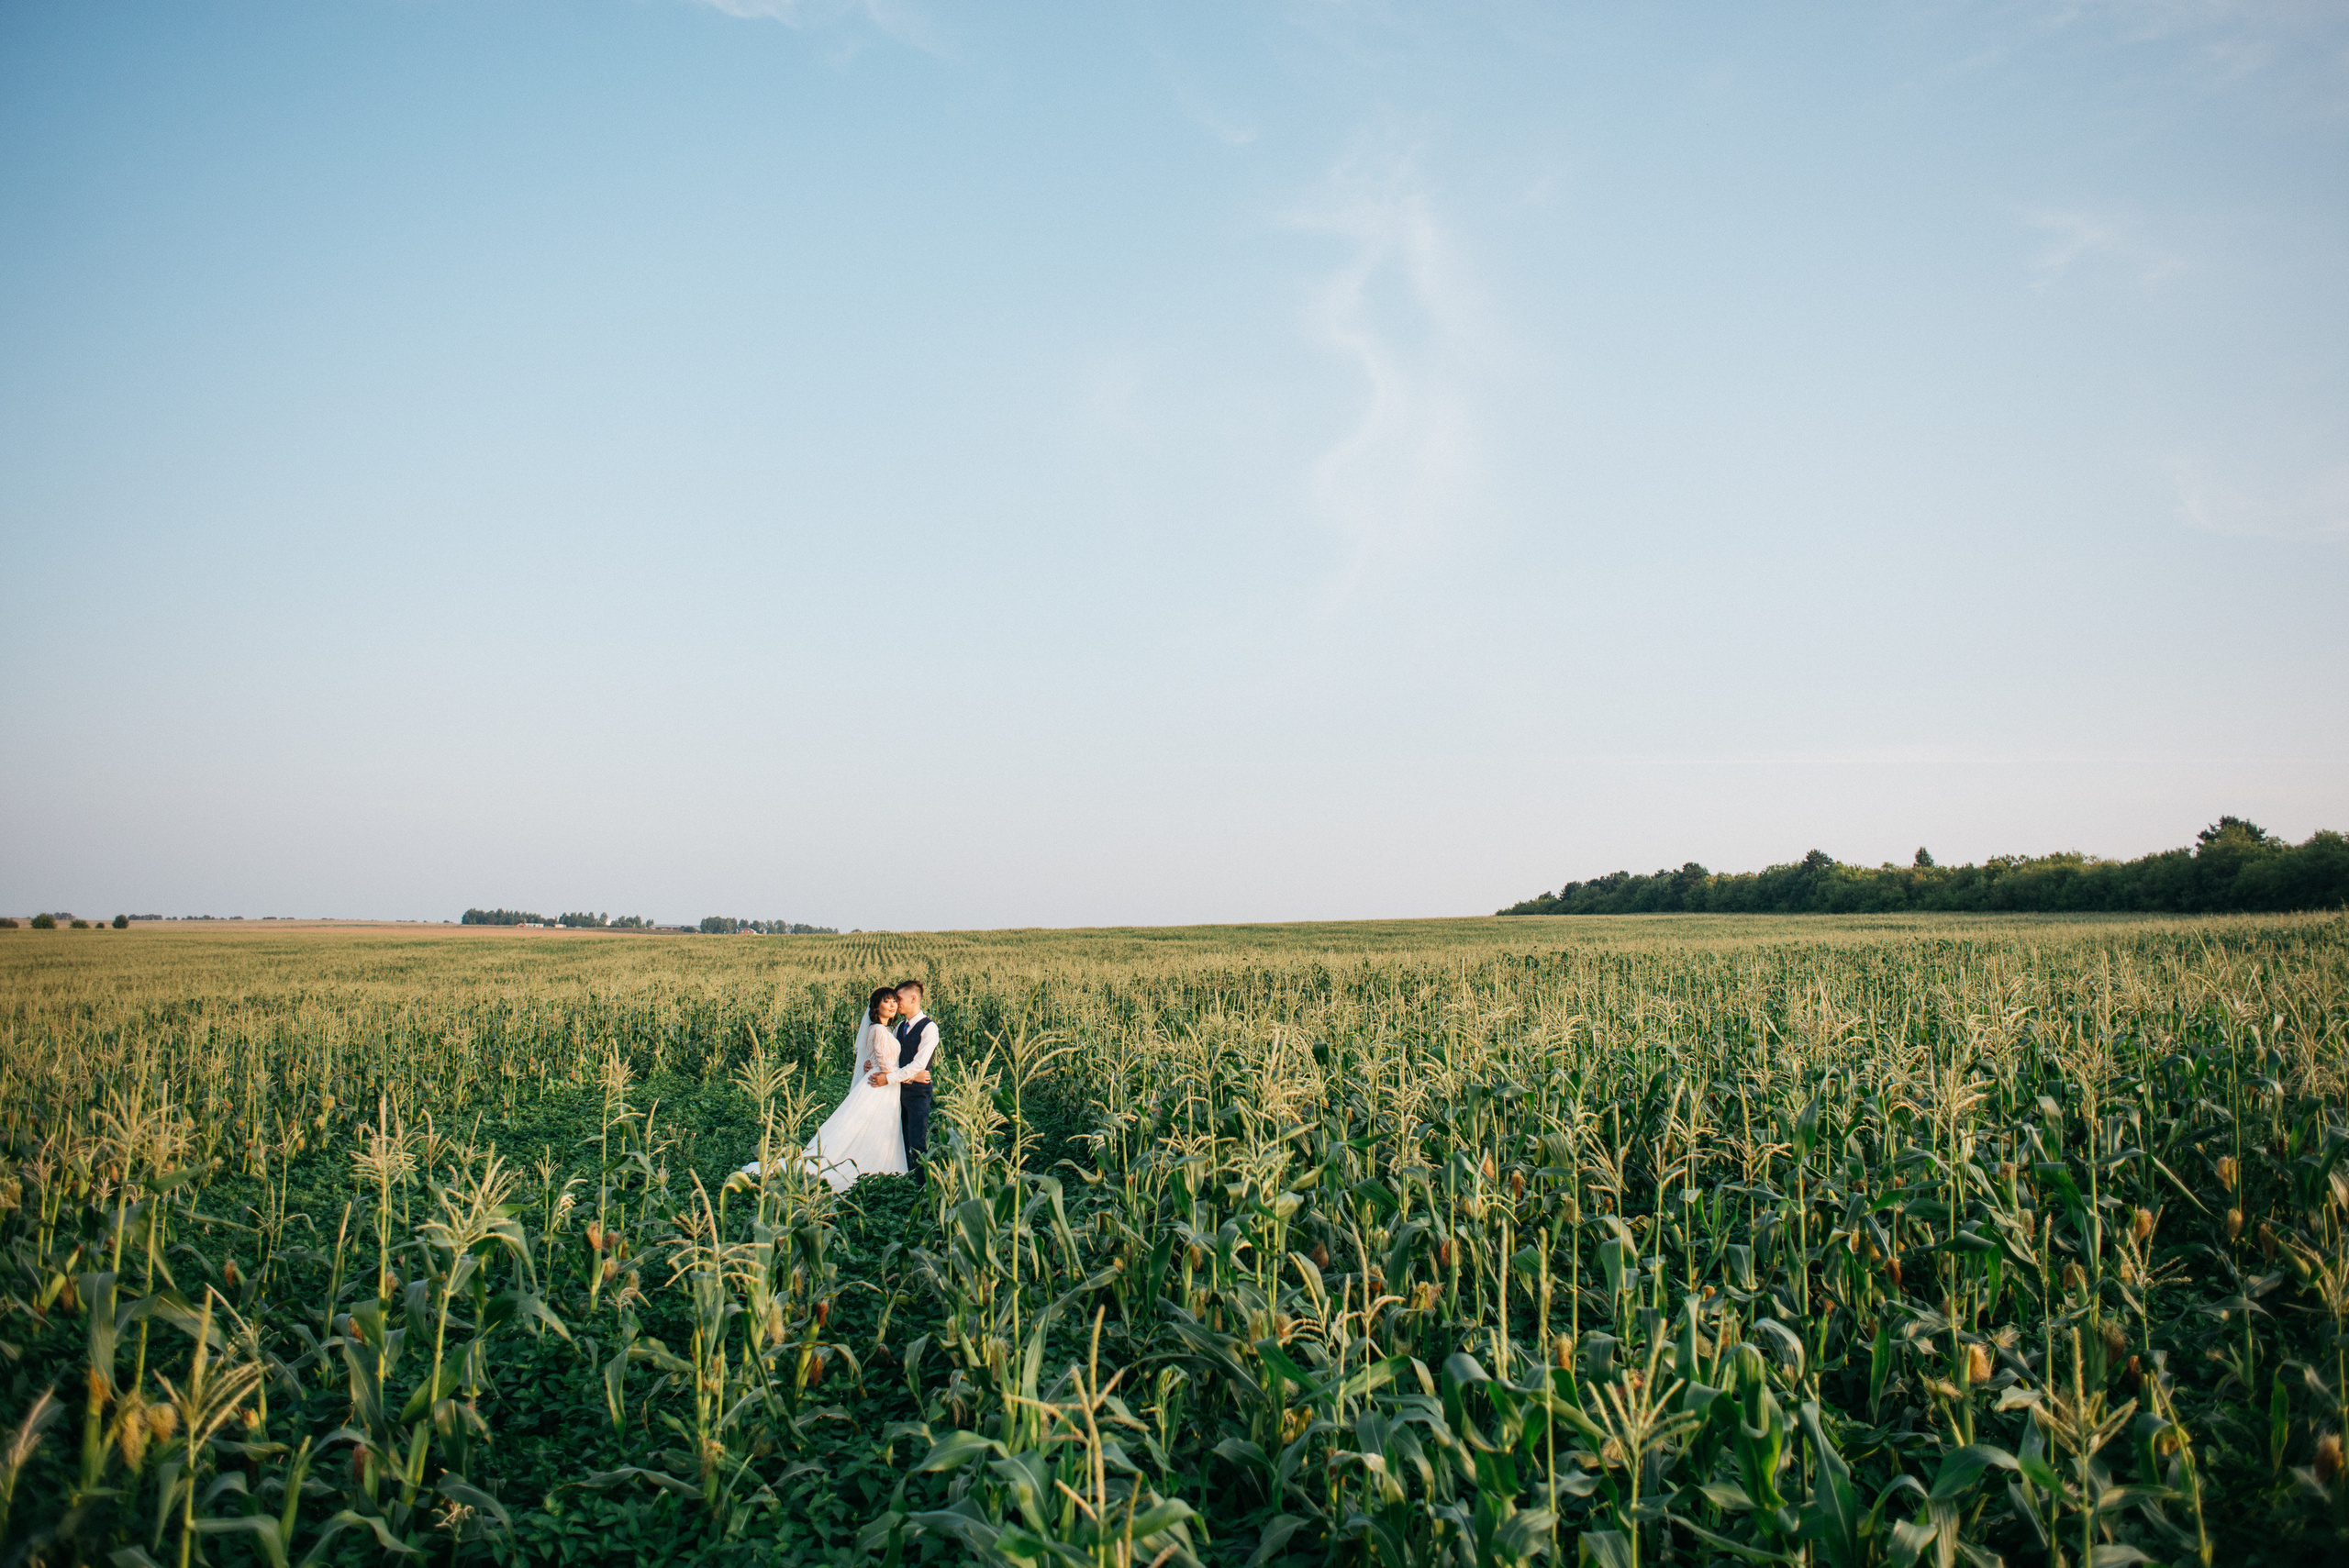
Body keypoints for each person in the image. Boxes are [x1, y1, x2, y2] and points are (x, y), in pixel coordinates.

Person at [743, 987, 908, 1194]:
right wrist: (912, 1073)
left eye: (894, 1001)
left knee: (873, 1128)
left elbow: (877, 1059)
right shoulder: (877, 1029)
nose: (892, 1005)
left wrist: (872, 1065)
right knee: (865, 1128)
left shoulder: (885, 1030)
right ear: (876, 1007)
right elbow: (886, 1066)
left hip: (884, 1085)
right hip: (881, 1085)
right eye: (887, 1001)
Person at [877, 980, 938, 1185]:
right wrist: (875, 1066)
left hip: (917, 1094)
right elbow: (892, 1058)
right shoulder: (900, 1027)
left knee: (917, 1141)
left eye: (899, 999)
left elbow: (919, 1063)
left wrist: (889, 1078)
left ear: (914, 999)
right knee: (898, 1138)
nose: (896, 1003)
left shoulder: (929, 1028)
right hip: (896, 1092)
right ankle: (905, 1181)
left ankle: (922, 1186)